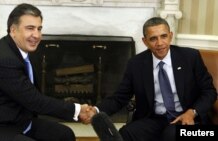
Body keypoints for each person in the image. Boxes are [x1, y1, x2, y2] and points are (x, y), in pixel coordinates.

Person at [0, 3, 90, 141]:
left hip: (17, 120)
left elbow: (34, 97)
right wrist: (77, 110)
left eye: (39, 29)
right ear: (13, 30)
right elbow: (35, 101)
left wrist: (74, 110)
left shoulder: (19, 49)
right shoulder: (5, 60)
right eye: (30, 28)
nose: (36, 35)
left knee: (64, 134)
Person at [83, 17, 217, 141]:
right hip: (154, 120)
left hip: (187, 118)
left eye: (163, 36)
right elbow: (120, 98)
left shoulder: (190, 57)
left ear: (170, 36)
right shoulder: (136, 64)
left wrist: (192, 112)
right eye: (153, 38)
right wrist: (96, 110)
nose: (160, 43)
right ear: (145, 41)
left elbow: (209, 91)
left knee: (171, 135)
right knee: (126, 134)